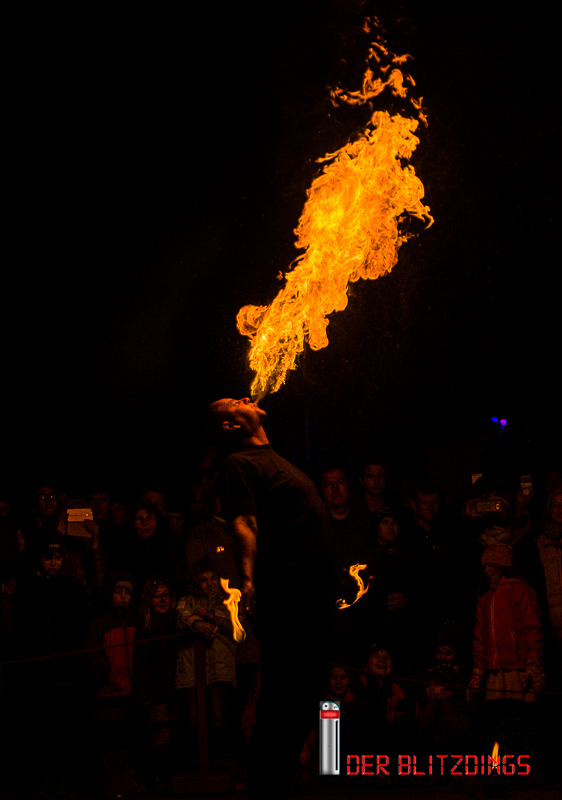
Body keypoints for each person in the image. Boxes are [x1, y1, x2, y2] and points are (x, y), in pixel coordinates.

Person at [208, 396, 336, 799]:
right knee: (283, 702)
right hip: (287, 598)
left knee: (306, 699)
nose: (245, 398)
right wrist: (247, 580)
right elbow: (244, 522)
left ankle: (279, 784)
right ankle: (265, 789)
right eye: (233, 403)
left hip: (310, 599)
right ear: (231, 426)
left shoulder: (274, 458)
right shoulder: (239, 463)